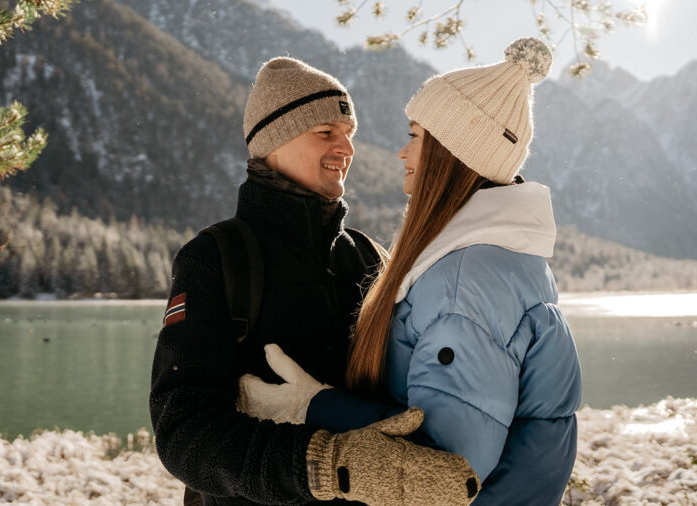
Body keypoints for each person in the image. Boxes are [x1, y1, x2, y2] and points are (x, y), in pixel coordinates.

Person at [238, 39, 583, 505]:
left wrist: (315, 407)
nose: (403, 153)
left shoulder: (465, 279)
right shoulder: (505, 258)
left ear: (451, 152)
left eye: (416, 136)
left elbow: (447, 467)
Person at [149, 57, 479, 506]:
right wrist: (325, 464)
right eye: (325, 132)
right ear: (273, 141)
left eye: (349, 134)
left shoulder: (368, 256)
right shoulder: (215, 258)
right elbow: (183, 435)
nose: (347, 148)